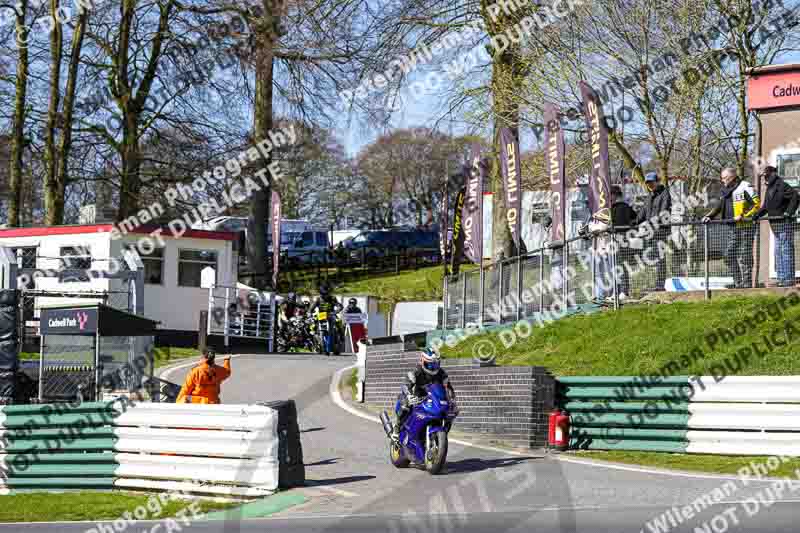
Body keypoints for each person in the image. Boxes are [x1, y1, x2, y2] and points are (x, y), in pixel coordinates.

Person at [702, 167, 761, 288]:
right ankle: (738, 282)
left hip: (746, 226)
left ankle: (746, 284)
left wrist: (744, 215)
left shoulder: (745, 186)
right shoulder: (725, 190)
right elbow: (719, 205)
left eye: (724, 178)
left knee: (745, 255)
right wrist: (709, 216)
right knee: (729, 255)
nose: (722, 180)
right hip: (732, 227)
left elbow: (757, 204)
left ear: (731, 177)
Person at [392, 349, 455, 440]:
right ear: (423, 361)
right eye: (430, 364)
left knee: (449, 414)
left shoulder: (442, 374)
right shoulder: (416, 371)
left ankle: (440, 435)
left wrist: (452, 399)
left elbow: (448, 388)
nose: (433, 367)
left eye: (436, 364)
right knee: (405, 404)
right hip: (418, 399)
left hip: (434, 400)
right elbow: (406, 384)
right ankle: (397, 427)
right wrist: (409, 395)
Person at [754, 165, 799, 287]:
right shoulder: (770, 188)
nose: (764, 178)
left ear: (772, 174)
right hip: (775, 224)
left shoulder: (781, 185)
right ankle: (781, 278)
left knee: (785, 250)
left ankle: (788, 279)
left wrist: (788, 212)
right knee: (778, 251)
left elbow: (795, 196)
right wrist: (757, 215)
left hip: (784, 223)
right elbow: (766, 207)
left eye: (765, 175)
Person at [636, 172, 672, 291]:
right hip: (650, 232)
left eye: (651, 182)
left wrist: (652, 224)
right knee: (651, 257)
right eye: (648, 183)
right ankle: (657, 283)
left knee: (660, 258)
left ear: (657, 181)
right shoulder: (649, 197)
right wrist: (631, 222)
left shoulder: (664, 193)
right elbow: (641, 214)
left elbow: (664, 212)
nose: (650, 185)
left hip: (661, 231)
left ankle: (660, 285)